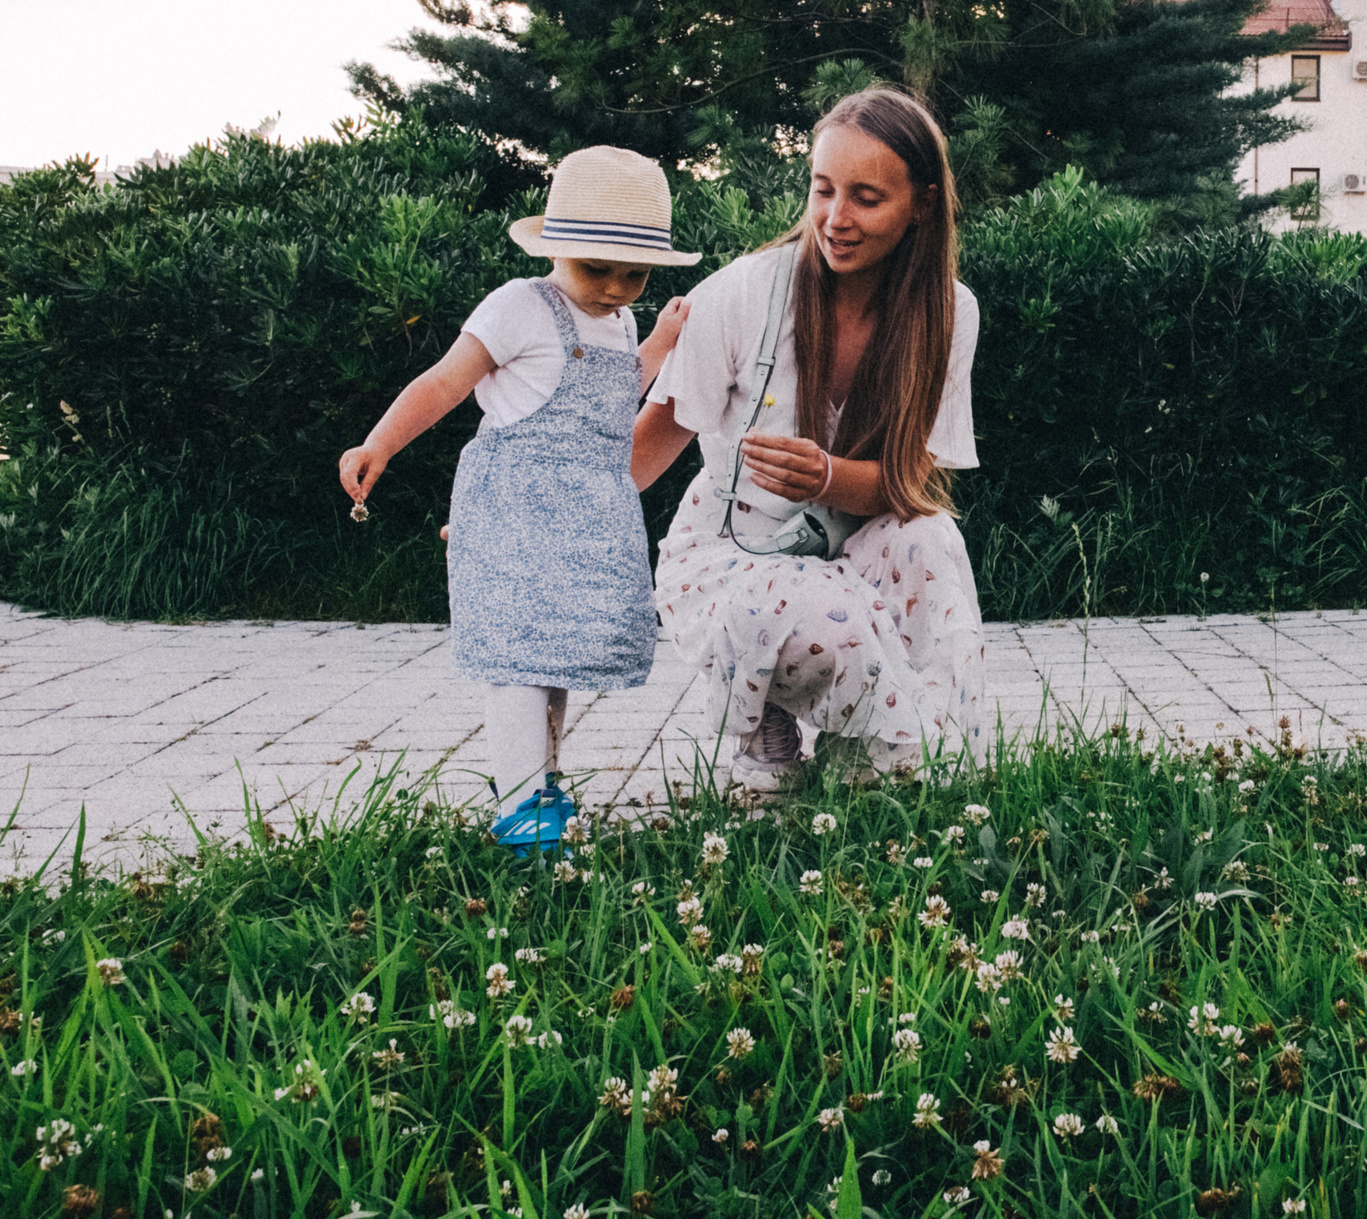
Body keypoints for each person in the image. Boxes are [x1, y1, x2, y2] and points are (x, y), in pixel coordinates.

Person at [338, 146, 695, 849]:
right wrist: (379, 443)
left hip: (585, 519)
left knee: (554, 654)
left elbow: (618, 394)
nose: (618, 287)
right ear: (557, 247)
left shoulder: (621, 322)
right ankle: (519, 808)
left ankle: (543, 788)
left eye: (636, 273)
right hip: (514, 509)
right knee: (516, 658)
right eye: (600, 268)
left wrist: (658, 342)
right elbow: (444, 381)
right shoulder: (519, 307)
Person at [633, 87, 984, 791]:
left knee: (933, 539)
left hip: (854, 534)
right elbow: (648, 447)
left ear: (920, 203)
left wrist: (827, 477)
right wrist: (525, 518)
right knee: (828, 610)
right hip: (734, 550)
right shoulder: (741, 293)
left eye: (865, 197)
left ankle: (898, 761)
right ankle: (763, 733)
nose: (835, 218)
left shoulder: (949, 311)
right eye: (823, 189)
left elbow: (908, 483)